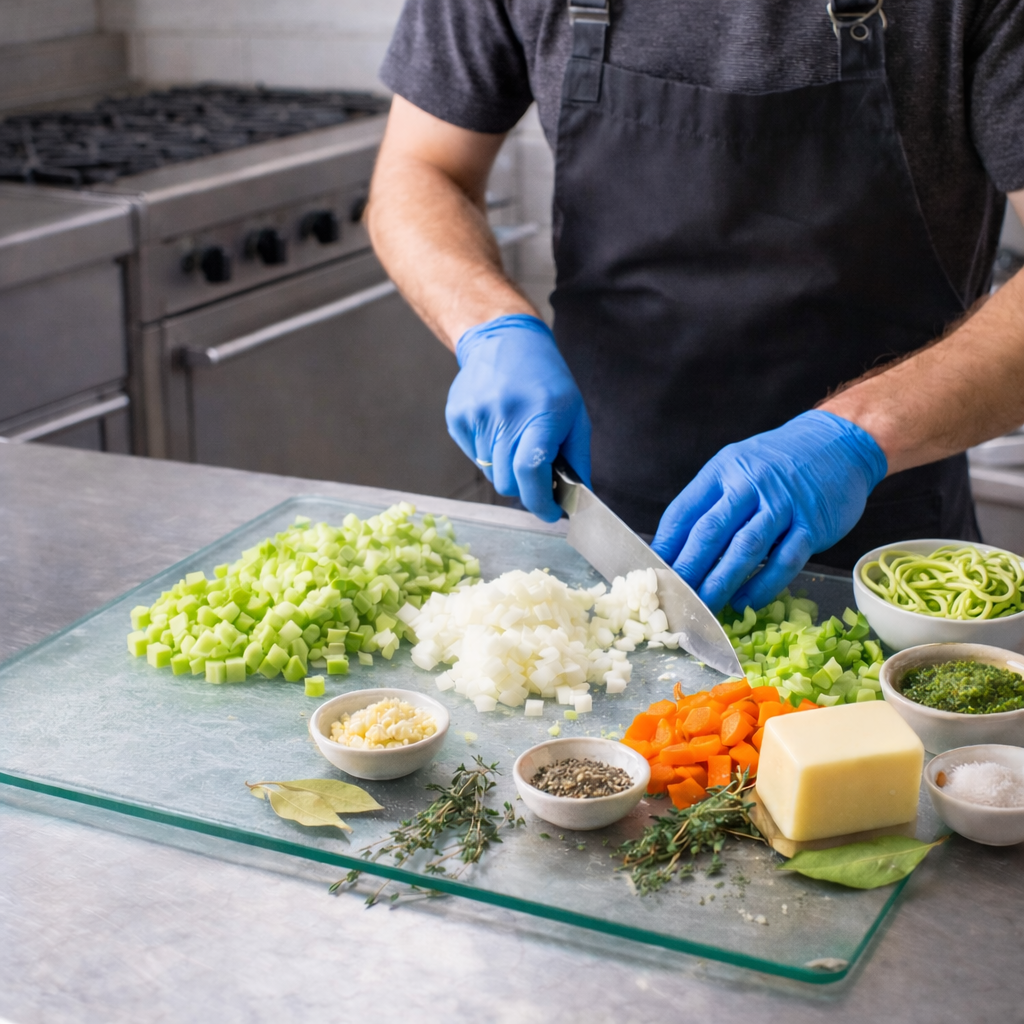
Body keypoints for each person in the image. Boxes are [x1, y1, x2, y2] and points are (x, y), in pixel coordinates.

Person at [366, 0, 1024, 612]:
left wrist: (856, 437)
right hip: (599, 532)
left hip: (888, 551)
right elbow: (420, 170)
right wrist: (489, 326)